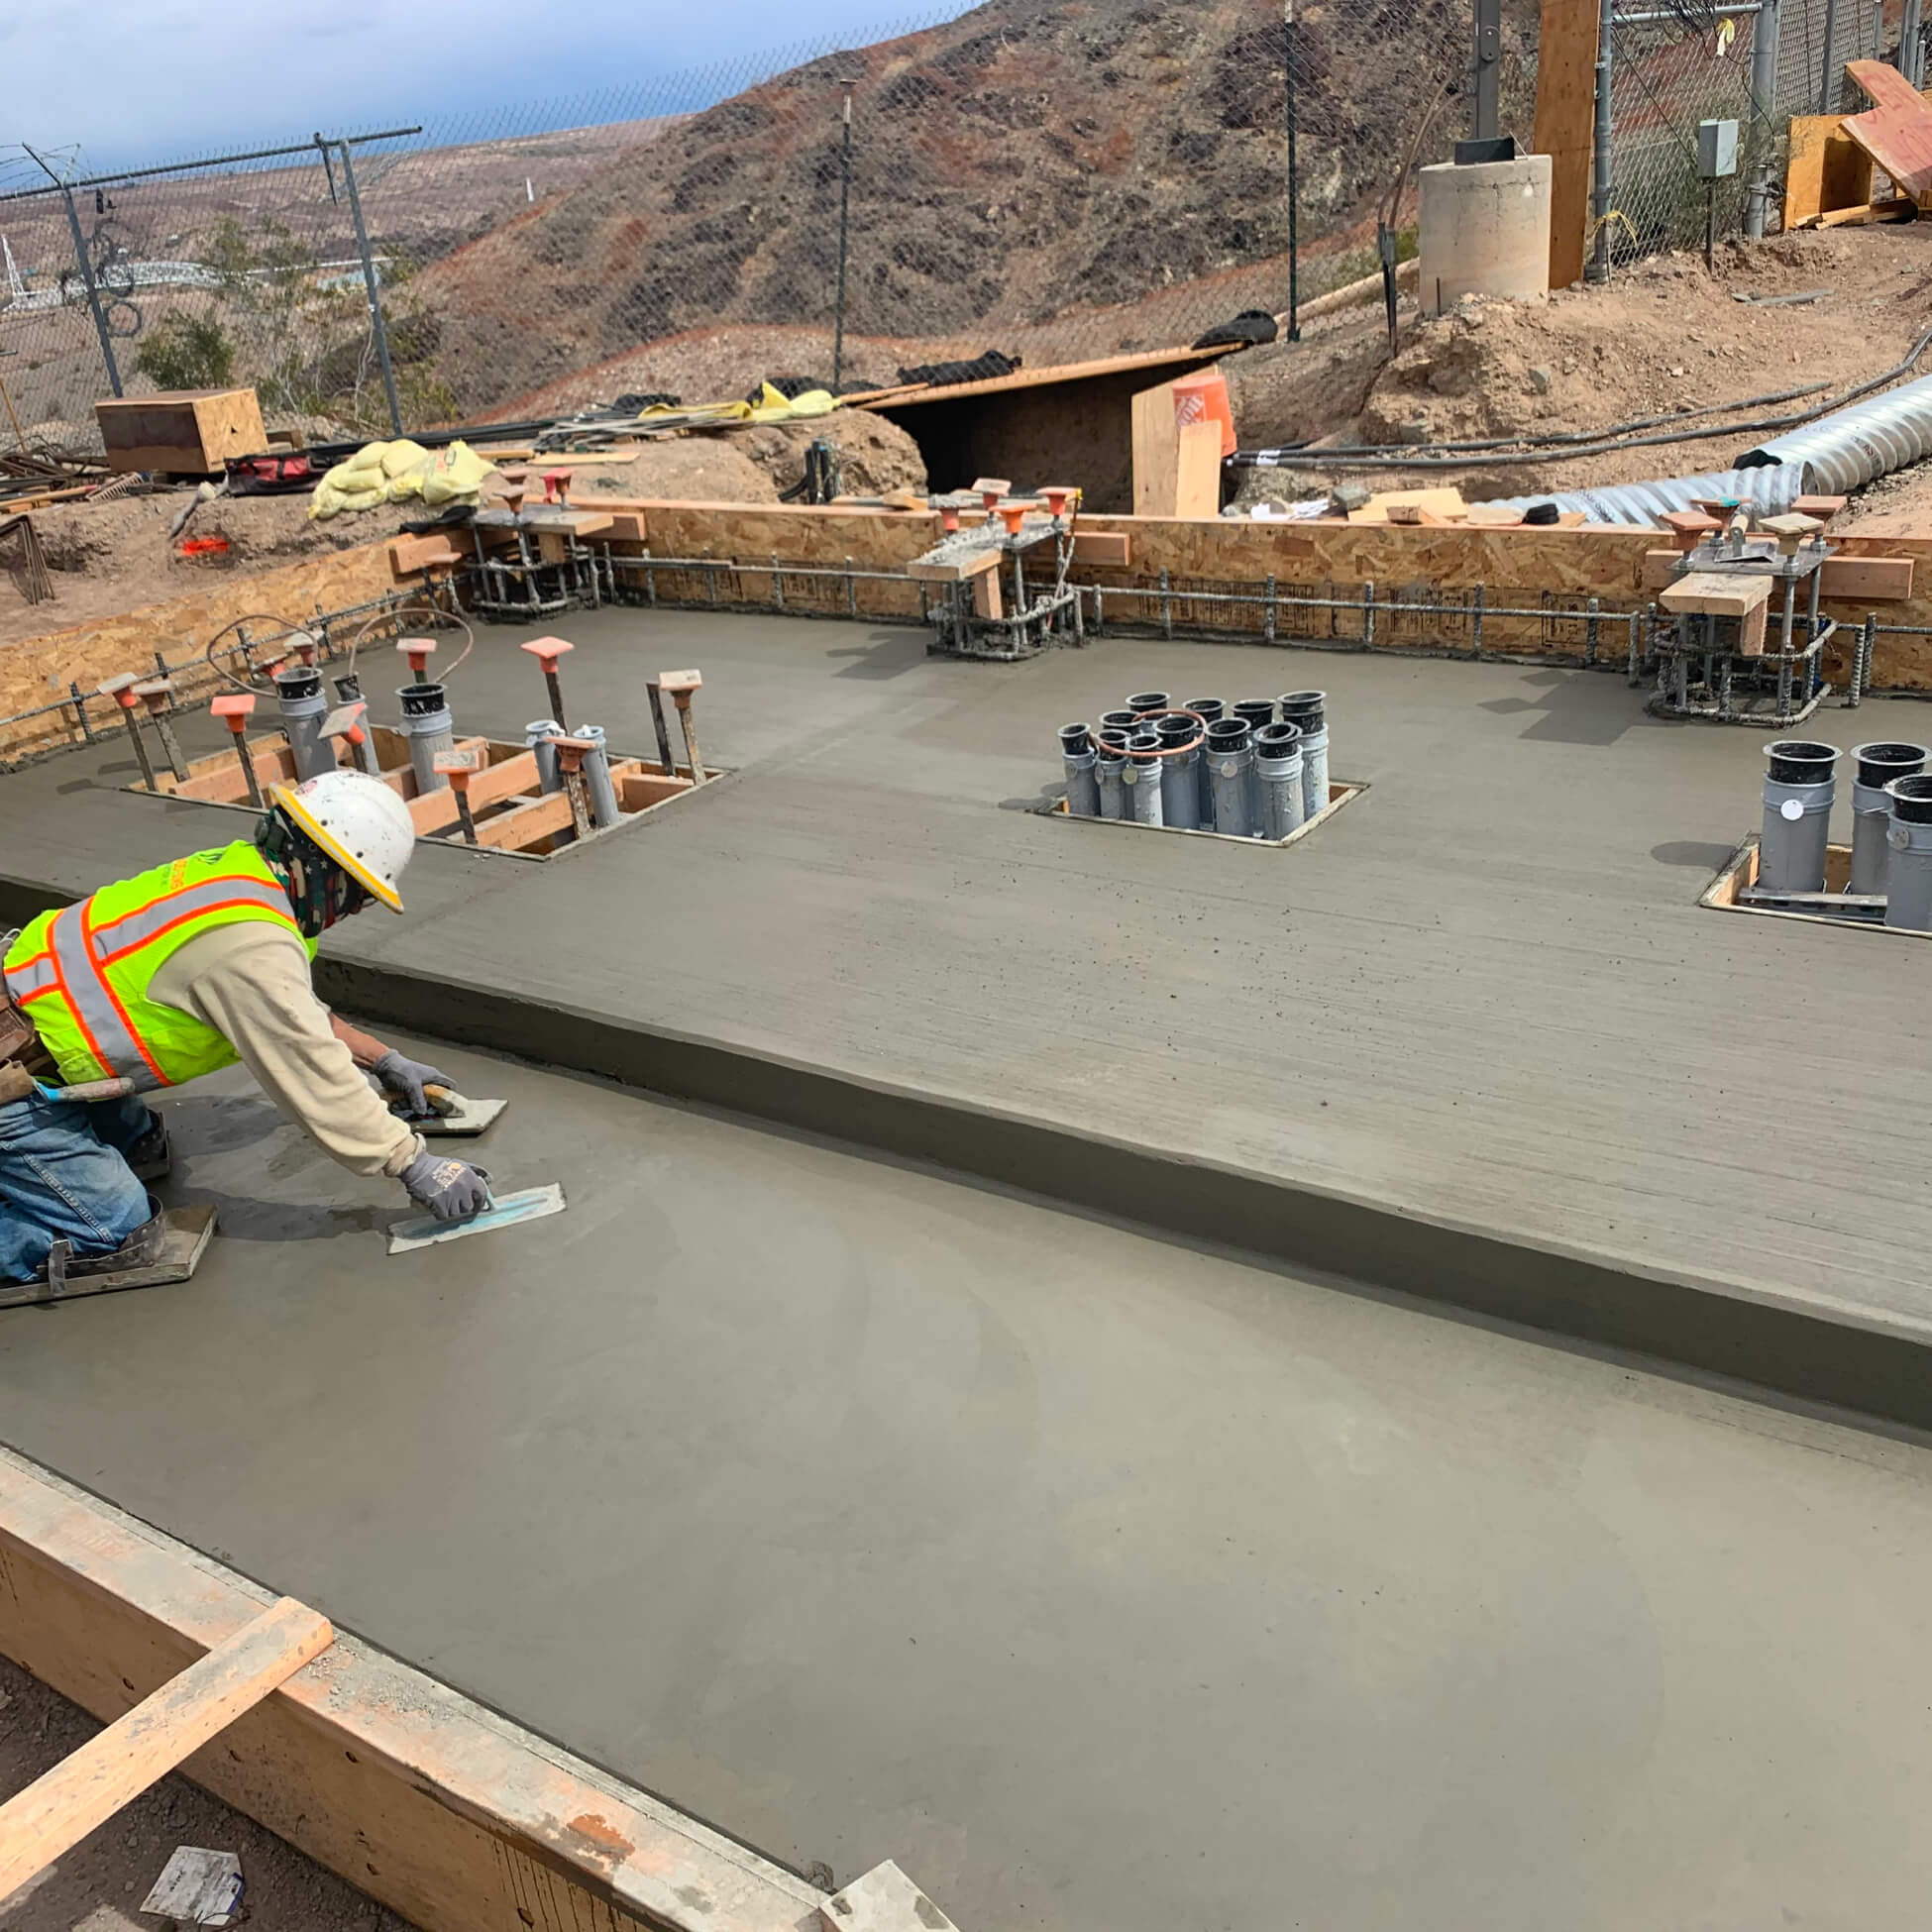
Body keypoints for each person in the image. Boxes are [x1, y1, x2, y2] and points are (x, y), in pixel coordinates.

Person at [0, 770, 491, 1287]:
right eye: (358, 895)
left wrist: (380, 1057)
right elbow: (308, 1070)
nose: (352, 911)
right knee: (119, 1235)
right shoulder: (251, 944)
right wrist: (412, 1163)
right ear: (329, 874)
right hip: (13, 1073)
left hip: (36, 1024)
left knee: (142, 1147)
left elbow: (290, 1008)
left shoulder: (246, 877)